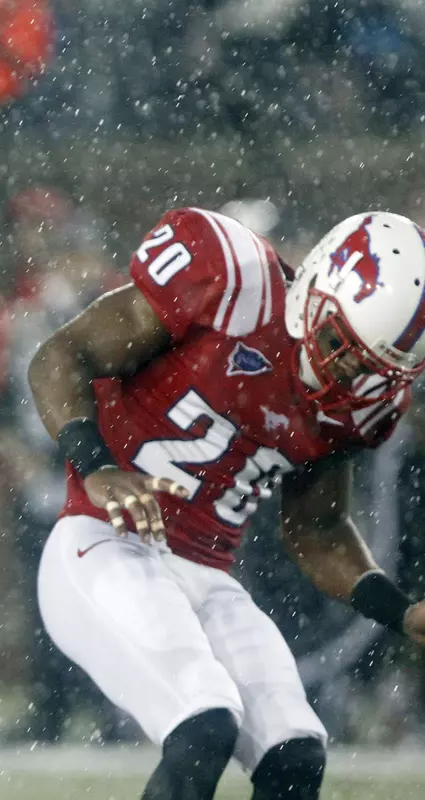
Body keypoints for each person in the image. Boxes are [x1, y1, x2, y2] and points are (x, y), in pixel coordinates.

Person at [29, 207, 425, 799]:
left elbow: (318, 530)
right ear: (317, 286)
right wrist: (97, 467)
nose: (345, 373)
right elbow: (59, 356)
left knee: (295, 753)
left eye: (371, 370)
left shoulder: (361, 406)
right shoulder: (233, 281)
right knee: (203, 725)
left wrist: (402, 612)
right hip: (98, 540)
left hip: (205, 575)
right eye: (341, 342)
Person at [0, 187, 126, 745]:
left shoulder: (106, 302)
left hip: (93, 467)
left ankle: (112, 708)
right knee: (45, 599)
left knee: (106, 595)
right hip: (38, 469)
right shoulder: (18, 309)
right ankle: (53, 705)